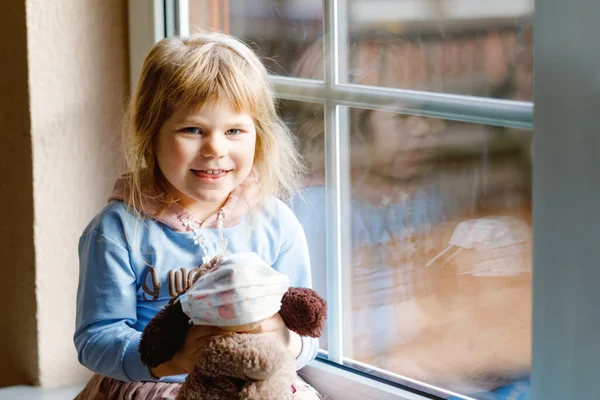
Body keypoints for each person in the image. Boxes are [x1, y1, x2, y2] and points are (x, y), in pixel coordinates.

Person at [73, 31, 324, 399]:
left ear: (259, 136)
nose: (215, 148)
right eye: (192, 129)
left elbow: (308, 330)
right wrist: (174, 359)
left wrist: (283, 342)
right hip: (156, 385)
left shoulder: (275, 222)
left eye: (235, 130)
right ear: (151, 134)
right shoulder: (118, 230)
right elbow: (97, 339)